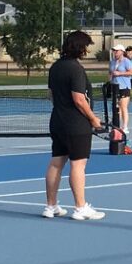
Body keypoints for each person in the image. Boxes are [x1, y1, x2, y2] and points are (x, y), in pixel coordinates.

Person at [42, 30, 107, 220]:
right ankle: (80, 208)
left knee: (56, 163)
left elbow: (51, 95)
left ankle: (50, 206)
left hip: (57, 122)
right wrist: (93, 119)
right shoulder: (76, 69)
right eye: (85, 46)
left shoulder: (55, 67)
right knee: (78, 165)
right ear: (80, 47)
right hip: (76, 125)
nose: (87, 50)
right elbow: (79, 99)